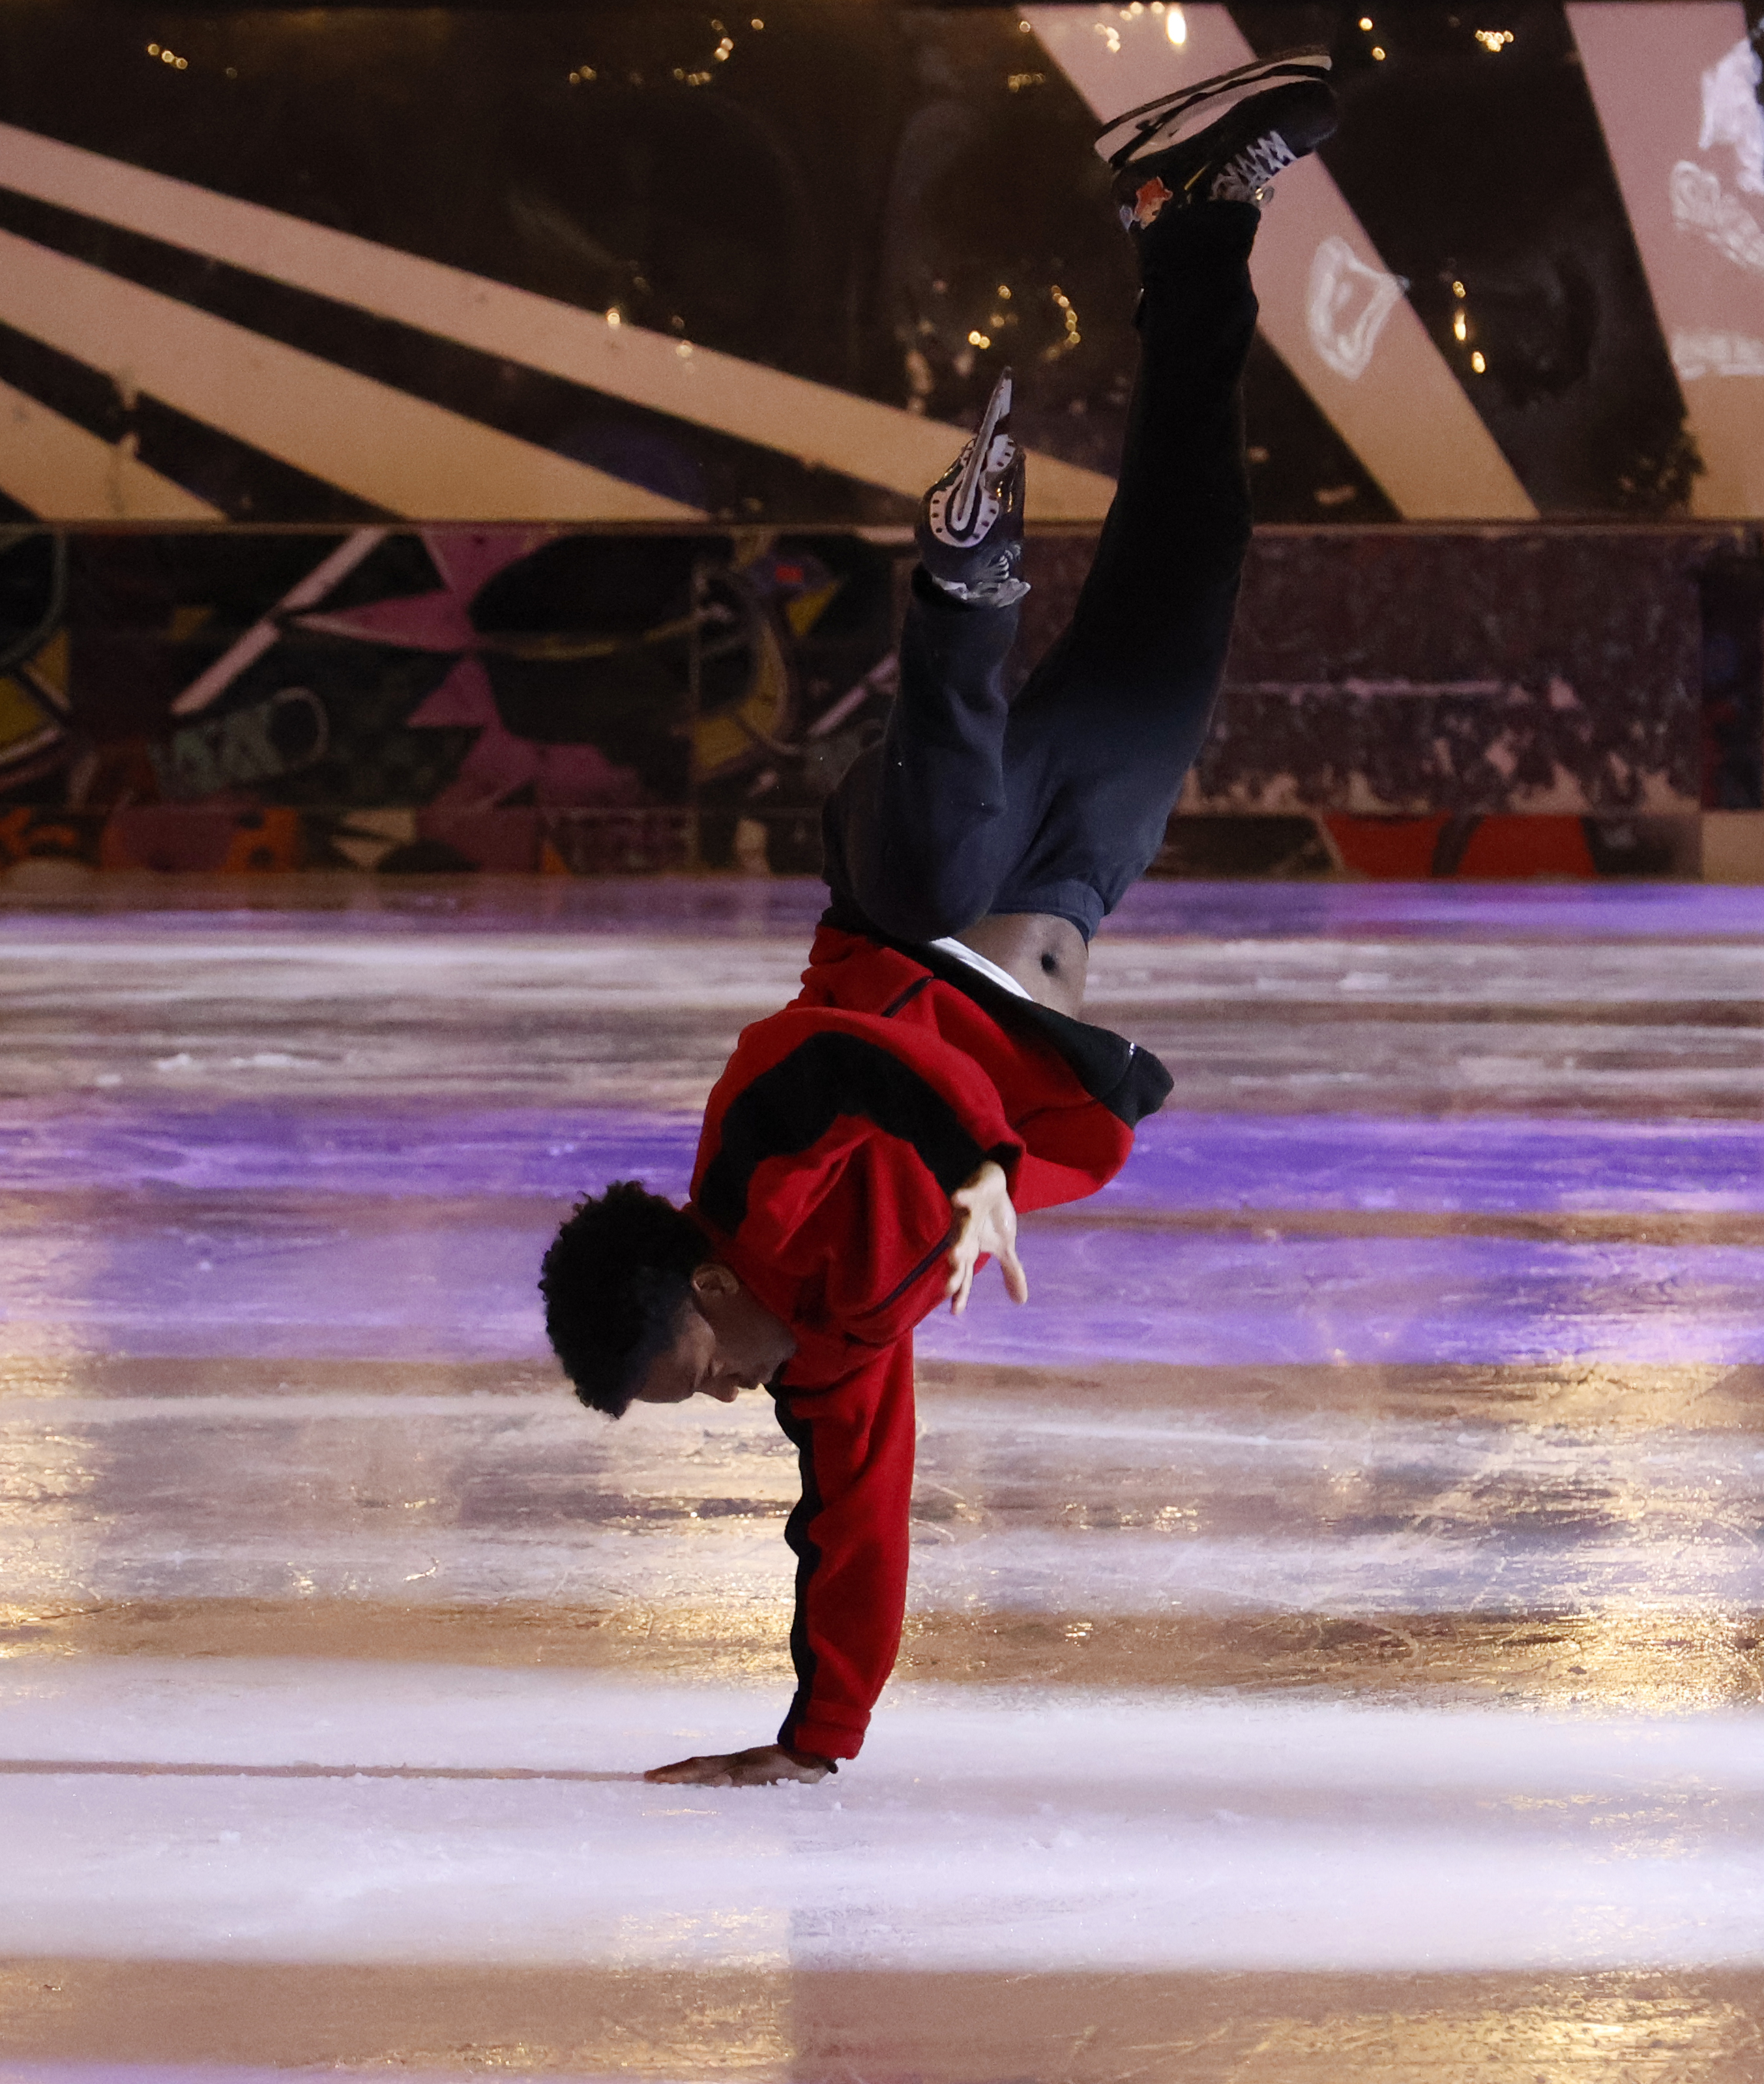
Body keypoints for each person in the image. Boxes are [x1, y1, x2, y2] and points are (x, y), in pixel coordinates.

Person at [536, 52, 1338, 1787]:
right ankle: (1191, 212)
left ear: (691, 1277)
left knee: (932, 813)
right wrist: (811, 1744)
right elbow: (854, 1538)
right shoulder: (831, 1364)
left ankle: (961, 591)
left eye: (689, 1373)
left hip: (912, 905)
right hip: (1061, 898)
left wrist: (973, 1154)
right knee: (1192, 549)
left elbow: (829, 1059)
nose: (730, 1398)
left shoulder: (754, 1174)